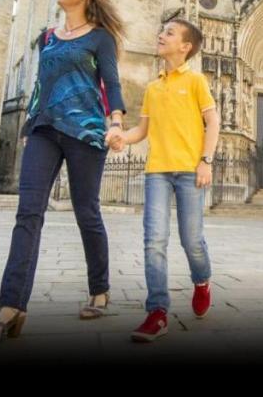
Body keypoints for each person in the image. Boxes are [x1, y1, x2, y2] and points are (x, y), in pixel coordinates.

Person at [0, 0, 125, 339]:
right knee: (28, 212)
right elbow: (42, 85)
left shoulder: (101, 38)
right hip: (44, 128)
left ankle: (100, 289)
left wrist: (116, 122)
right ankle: (11, 306)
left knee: (86, 211)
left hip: (85, 132)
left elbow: (111, 81)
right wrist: (29, 123)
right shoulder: (47, 38)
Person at [108, 18, 220, 342]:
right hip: (156, 170)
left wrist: (206, 162)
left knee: (192, 241)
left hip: (189, 171)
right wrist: (121, 139)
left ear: (185, 47)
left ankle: (202, 281)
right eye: (162, 31)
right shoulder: (152, 87)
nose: (161, 35)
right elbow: (142, 130)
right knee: (154, 240)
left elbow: (212, 123)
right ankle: (157, 311)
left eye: (169, 33)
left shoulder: (196, 80)